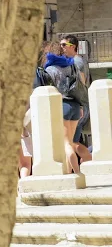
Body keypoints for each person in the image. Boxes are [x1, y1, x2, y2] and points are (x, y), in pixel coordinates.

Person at [43, 42, 87, 175]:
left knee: (65, 143)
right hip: (75, 105)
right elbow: (80, 83)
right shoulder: (72, 65)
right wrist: (80, 106)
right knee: (72, 142)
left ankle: (78, 173)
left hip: (62, 105)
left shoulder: (50, 69)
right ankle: (69, 174)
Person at [60, 35, 92, 163]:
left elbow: (81, 83)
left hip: (78, 104)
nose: (61, 48)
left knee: (71, 142)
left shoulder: (76, 62)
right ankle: (80, 166)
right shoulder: (75, 61)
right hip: (78, 104)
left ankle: (89, 159)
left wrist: (79, 105)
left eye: (64, 45)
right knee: (72, 141)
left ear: (73, 47)